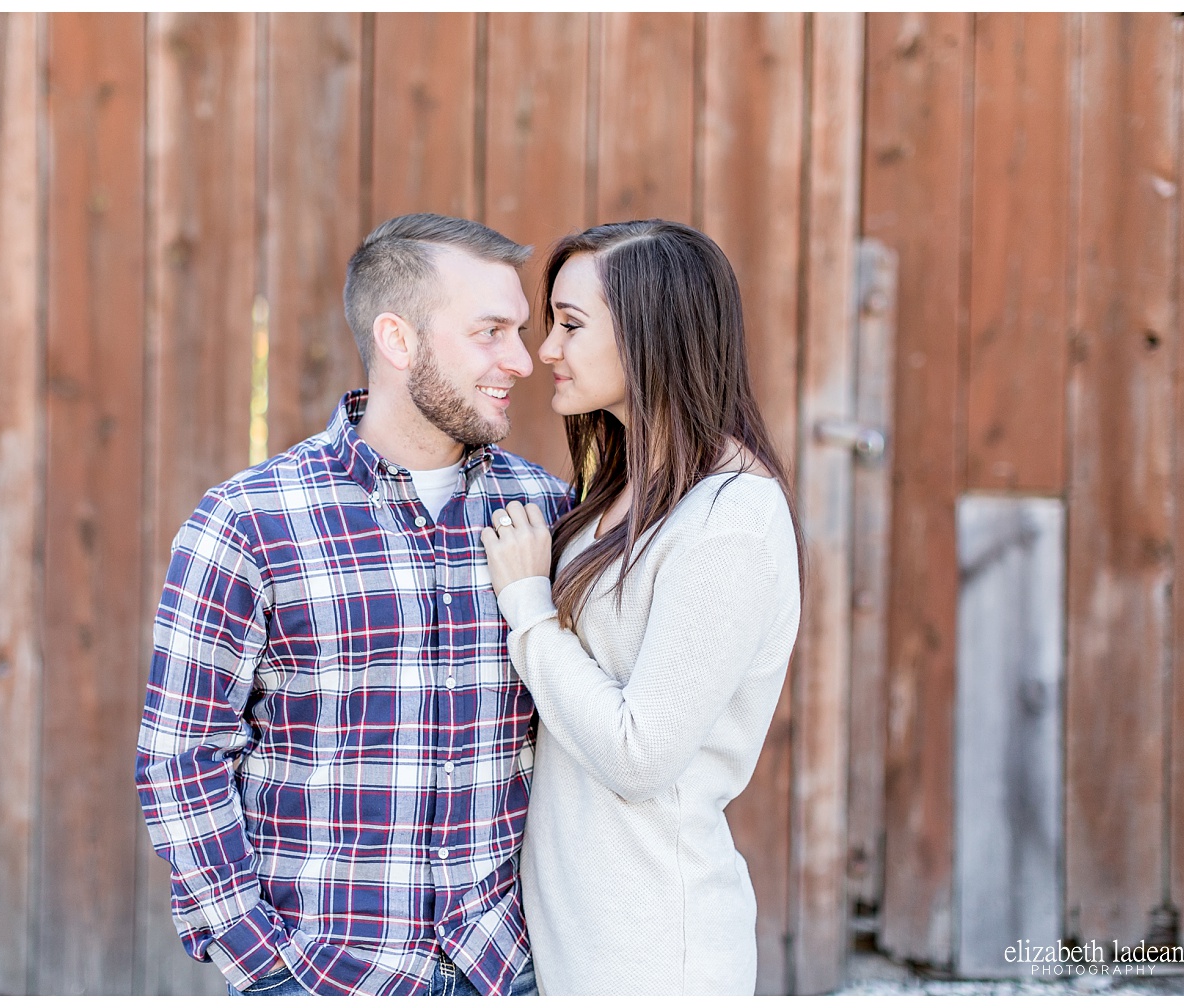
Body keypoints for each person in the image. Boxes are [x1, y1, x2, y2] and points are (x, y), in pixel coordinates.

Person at [136, 213, 572, 996]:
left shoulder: (549, 510)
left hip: (508, 971)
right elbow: (181, 759)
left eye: (521, 331)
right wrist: (261, 964)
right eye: (490, 332)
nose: (520, 359)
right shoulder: (248, 523)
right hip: (325, 975)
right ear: (399, 341)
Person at [480, 220, 803, 995]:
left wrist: (529, 607)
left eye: (570, 325)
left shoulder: (731, 521)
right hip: (570, 937)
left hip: (653, 948)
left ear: (652, 333)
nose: (547, 350)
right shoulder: (623, 494)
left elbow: (639, 754)